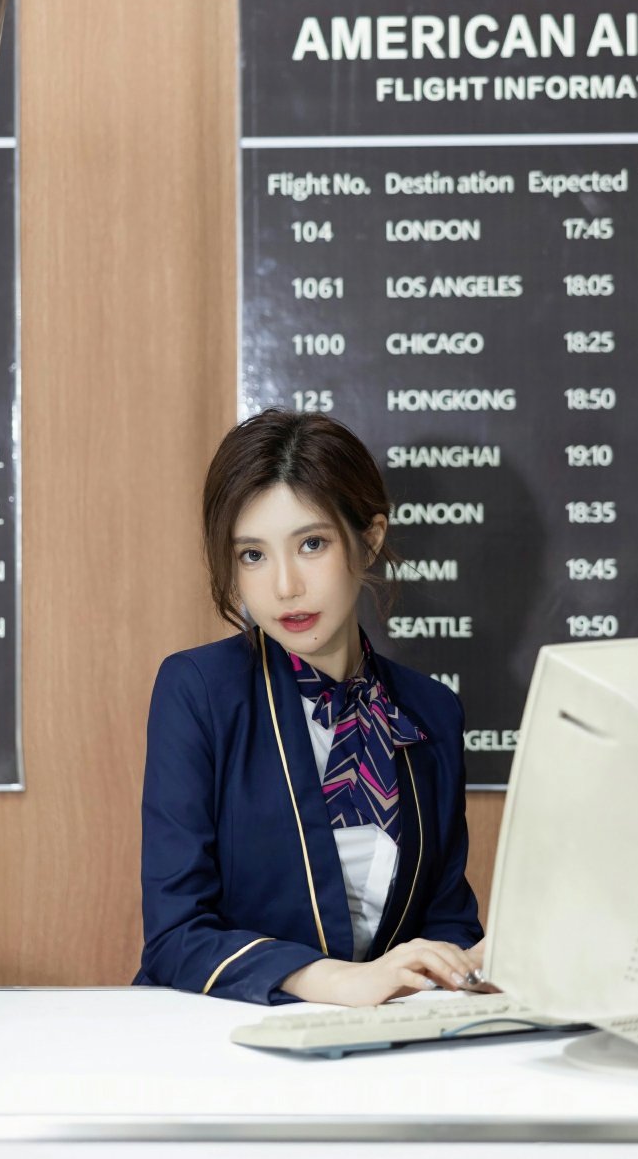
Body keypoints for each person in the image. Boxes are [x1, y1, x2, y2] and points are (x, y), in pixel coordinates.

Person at [133, 408, 486, 1006]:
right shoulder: (199, 690)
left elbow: (445, 920)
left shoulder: (431, 711)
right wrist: (340, 981)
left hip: (381, 1041)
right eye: (253, 555)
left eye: (311, 544)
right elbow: (175, 935)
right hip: (220, 1035)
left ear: (369, 539)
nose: (284, 587)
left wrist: (470, 963)